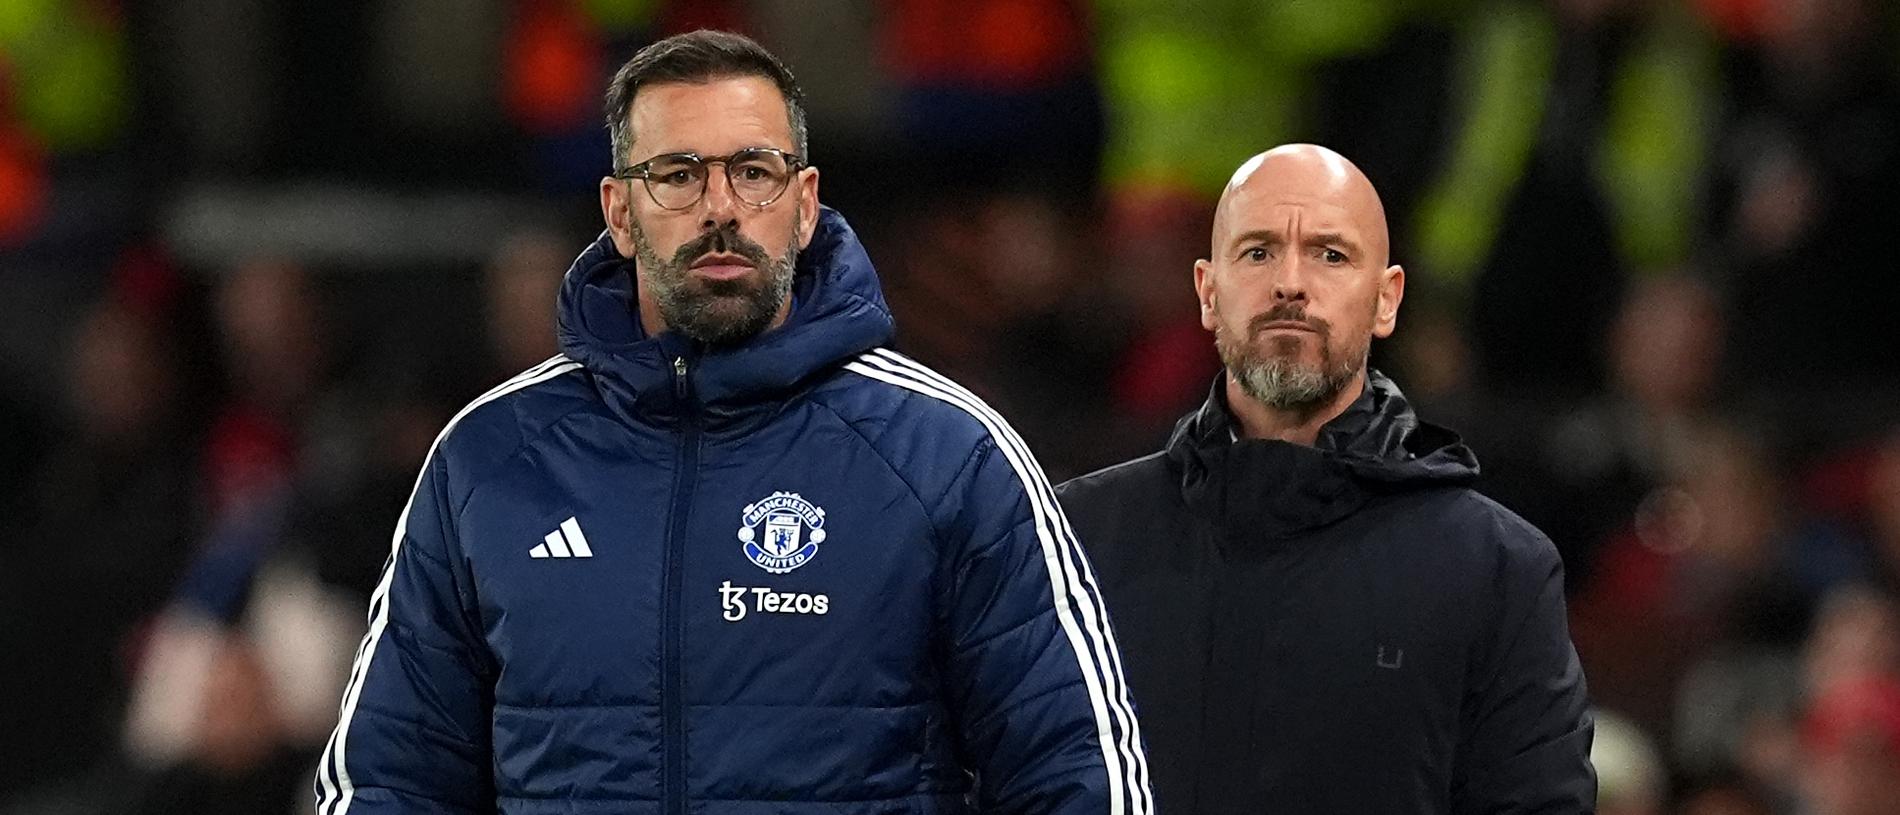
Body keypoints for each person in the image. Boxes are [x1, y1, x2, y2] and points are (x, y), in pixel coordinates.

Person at [313, 30, 1149, 815]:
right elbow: (385, 777)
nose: (720, 206)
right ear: (618, 211)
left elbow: (1077, 772)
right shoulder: (489, 458)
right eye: (676, 174)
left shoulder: (947, 456)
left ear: (806, 200)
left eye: (754, 171)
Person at [1057, 144, 1595, 813]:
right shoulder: (1076, 540)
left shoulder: (1495, 569)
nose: (1289, 282)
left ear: (1386, 299)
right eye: (1257, 252)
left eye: (1330, 255)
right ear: (1207, 291)